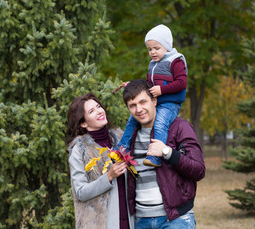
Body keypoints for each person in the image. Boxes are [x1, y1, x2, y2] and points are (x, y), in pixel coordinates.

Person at [122, 79, 205, 228]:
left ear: (154, 100)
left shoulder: (179, 127)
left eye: (143, 102)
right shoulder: (130, 137)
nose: (138, 109)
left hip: (175, 219)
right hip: (141, 220)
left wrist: (167, 152)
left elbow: (198, 170)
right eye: (132, 106)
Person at [118, 24, 188, 167]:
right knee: (132, 120)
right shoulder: (153, 64)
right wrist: (133, 84)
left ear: (166, 46)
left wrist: (162, 90)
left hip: (170, 102)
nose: (153, 52)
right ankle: (121, 149)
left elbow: (182, 83)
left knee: (160, 124)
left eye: (157, 48)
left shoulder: (176, 61)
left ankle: (155, 156)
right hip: (155, 101)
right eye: (150, 49)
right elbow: (149, 85)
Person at [67, 93, 134, 229]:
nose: (99, 111)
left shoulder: (121, 140)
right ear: (83, 123)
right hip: (100, 224)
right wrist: (109, 176)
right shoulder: (79, 150)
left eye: (98, 106)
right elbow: (80, 192)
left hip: (130, 220)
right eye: (92, 111)